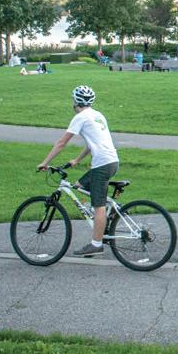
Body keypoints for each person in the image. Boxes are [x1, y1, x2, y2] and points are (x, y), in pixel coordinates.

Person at [36, 86, 119, 257]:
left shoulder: (80, 117)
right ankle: (102, 221)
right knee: (78, 185)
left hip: (102, 164)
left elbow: (62, 143)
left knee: (98, 206)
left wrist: (45, 162)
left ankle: (96, 244)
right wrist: (77, 160)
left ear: (76, 101)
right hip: (112, 161)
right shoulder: (97, 115)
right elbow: (92, 143)